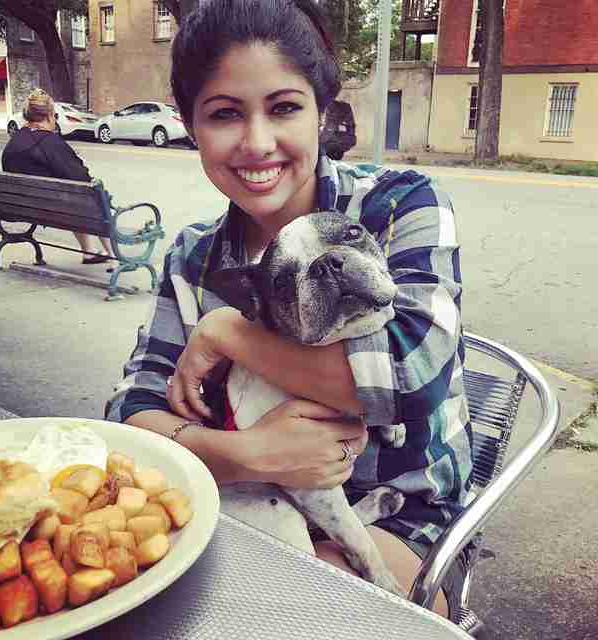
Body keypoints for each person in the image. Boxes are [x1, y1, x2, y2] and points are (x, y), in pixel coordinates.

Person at [105, 0, 472, 621]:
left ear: (322, 111)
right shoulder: (195, 255)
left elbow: (411, 380)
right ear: (190, 125)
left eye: (284, 108)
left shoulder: (397, 203)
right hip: (240, 498)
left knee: (279, 614)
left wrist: (227, 332)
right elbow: (130, 411)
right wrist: (252, 454)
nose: (257, 142)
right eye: (225, 114)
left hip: (401, 512)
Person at [2, 88, 112, 264]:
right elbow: (81, 178)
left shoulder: (15, 140)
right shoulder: (50, 142)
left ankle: (89, 252)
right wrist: (79, 163)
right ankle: (114, 255)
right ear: (49, 115)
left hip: (23, 206)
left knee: (74, 198)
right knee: (94, 196)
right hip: (55, 207)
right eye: (56, 116)